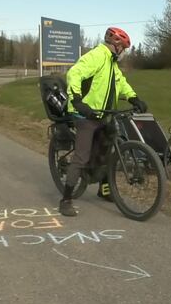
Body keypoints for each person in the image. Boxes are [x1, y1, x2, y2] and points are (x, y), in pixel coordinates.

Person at [59, 27, 148, 217]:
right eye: (123, 49)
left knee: (108, 149)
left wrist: (134, 98)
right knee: (81, 157)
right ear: (116, 45)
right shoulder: (97, 56)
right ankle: (66, 200)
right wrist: (77, 101)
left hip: (102, 114)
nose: (124, 53)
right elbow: (74, 73)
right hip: (85, 114)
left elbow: (121, 83)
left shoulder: (112, 64)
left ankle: (104, 189)